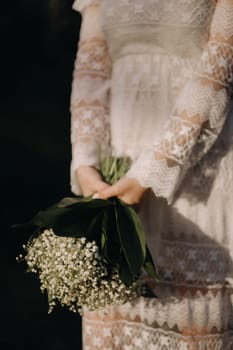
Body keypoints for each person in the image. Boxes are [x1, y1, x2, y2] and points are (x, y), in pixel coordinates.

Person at [70, 0, 233, 348]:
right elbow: (91, 73)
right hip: (115, 189)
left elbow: (215, 76)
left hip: (197, 187)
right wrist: (87, 170)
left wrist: (149, 175)